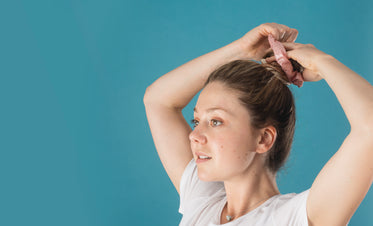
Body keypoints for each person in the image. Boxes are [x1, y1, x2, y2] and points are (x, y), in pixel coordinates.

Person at [143, 22, 373, 225]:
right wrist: (243, 50)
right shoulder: (203, 204)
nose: (194, 135)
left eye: (215, 121)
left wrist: (322, 62)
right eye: (196, 121)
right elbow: (158, 100)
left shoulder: (296, 217)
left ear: (263, 139)